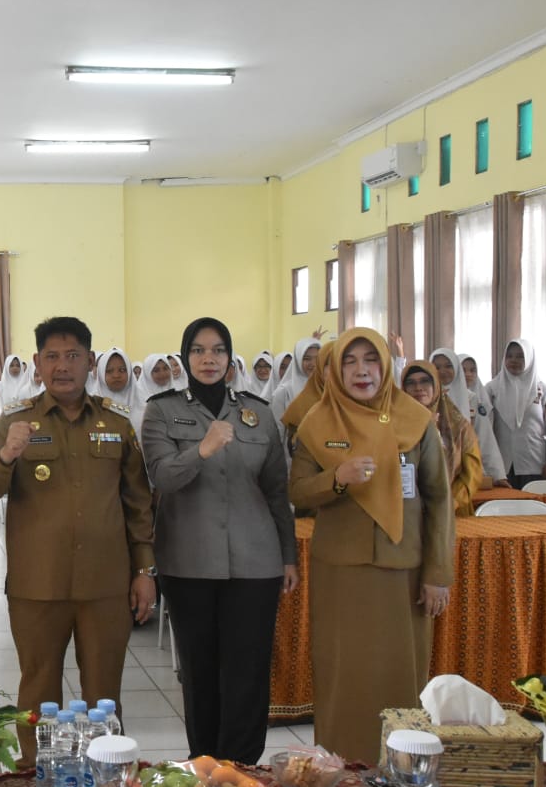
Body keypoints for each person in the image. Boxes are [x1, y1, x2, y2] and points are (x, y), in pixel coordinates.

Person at [0, 316, 155, 767]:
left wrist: (144, 570)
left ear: (90, 362)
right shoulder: (15, 421)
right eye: (52, 356)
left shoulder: (116, 422)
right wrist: (7, 454)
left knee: (104, 689)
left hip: (105, 582)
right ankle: (38, 771)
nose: (62, 366)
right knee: (38, 686)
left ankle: (104, 772)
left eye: (72, 355)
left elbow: (138, 503)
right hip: (38, 583)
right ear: (37, 363)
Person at [288, 328, 454, 764]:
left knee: (400, 674)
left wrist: (438, 574)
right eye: (349, 361)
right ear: (335, 370)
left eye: (371, 360)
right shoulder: (317, 423)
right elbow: (298, 491)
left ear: (386, 366)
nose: (361, 371)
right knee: (344, 675)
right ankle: (338, 763)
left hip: (404, 573)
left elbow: (440, 500)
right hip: (341, 572)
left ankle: (403, 765)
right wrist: (336, 479)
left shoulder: (416, 422)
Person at [141, 320, 297, 763]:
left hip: (256, 561)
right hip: (188, 561)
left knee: (248, 670)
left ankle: (242, 769)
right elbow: (162, 477)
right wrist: (202, 449)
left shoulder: (258, 413)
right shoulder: (161, 411)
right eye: (198, 350)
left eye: (217, 350)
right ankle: (205, 765)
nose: (208, 359)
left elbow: (277, 491)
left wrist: (288, 556)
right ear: (184, 357)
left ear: (229, 358)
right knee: (199, 670)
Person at [401, 361, 484, 516]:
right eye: (410, 383)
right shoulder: (394, 425)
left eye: (425, 381)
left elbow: (472, 473)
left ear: (436, 386)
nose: (418, 388)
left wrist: (450, 502)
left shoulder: (458, 426)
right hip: (406, 511)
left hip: (452, 511)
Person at [488, 339, 546, 489]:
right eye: (509, 356)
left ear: (529, 358)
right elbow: (486, 428)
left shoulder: (543, 389)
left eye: (520, 356)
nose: (513, 360)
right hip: (502, 465)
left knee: (534, 502)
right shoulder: (492, 389)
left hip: (535, 462)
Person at [430, 347, 506, 487]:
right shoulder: (425, 398)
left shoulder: (471, 399)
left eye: (448, 366)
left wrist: (498, 475)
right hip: (433, 470)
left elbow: (484, 437)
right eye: (437, 367)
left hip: (465, 470)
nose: (442, 371)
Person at [92, 345, 145, 433]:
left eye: (122, 370)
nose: (116, 375)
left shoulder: (143, 405)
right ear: (101, 374)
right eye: (109, 371)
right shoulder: (90, 405)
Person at [269, 338, 321, 422]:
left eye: (317, 358)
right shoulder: (283, 392)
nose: (313, 363)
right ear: (298, 360)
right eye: (307, 358)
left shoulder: (326, 387)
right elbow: (278, 427)